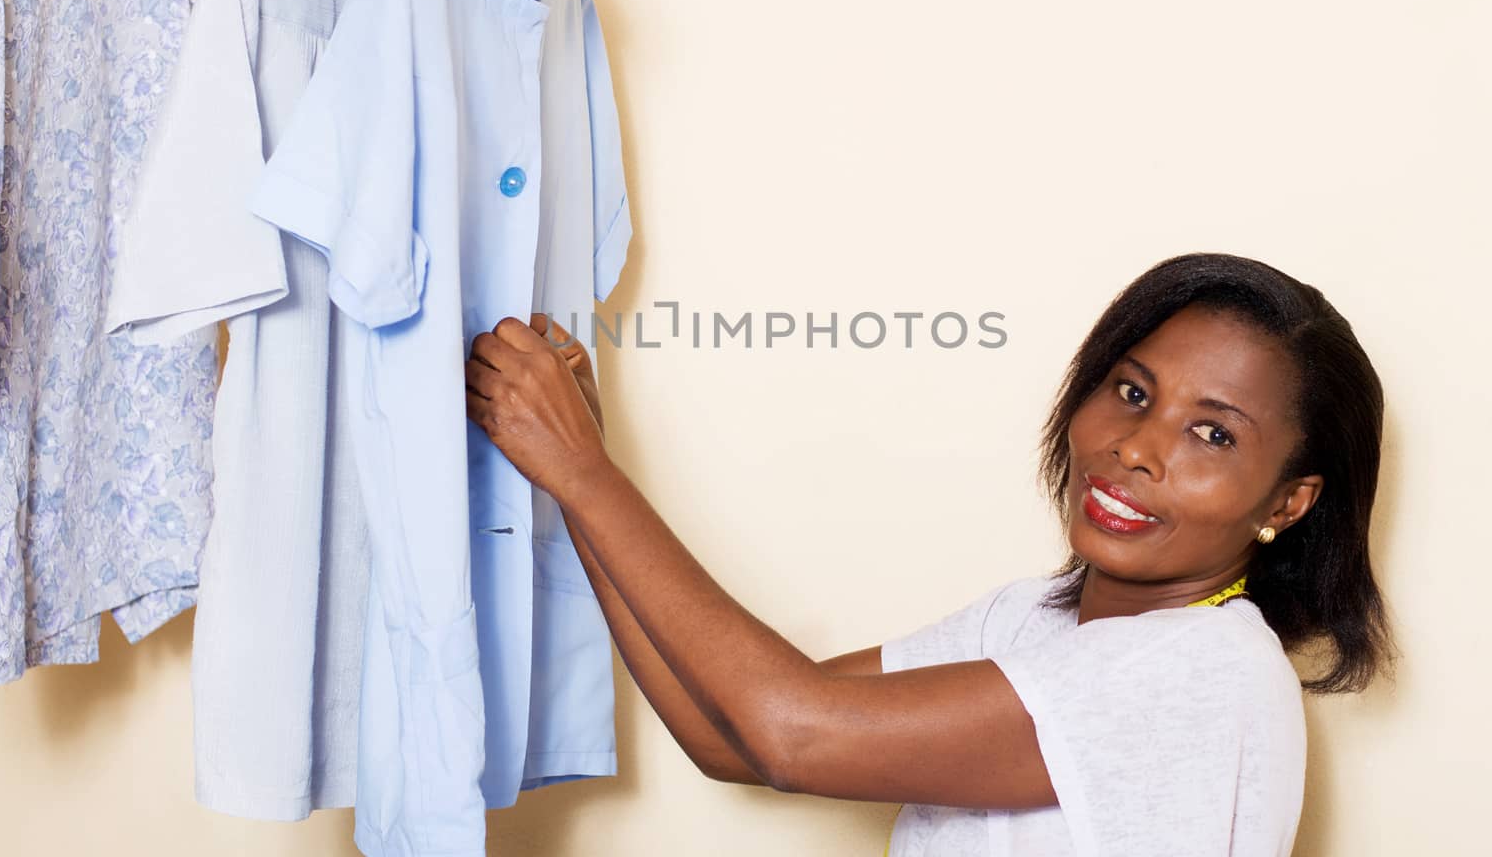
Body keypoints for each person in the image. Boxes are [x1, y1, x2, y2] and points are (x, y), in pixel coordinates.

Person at [461, 252, 1393, 855]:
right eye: (1132, 391)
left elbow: (793, 733)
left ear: (1289, 501)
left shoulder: (1203, 669)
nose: (1137, 447)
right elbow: (730, 737)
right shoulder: (1030, 622)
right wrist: (572, 465)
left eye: (1214, 435)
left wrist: (585, 475)